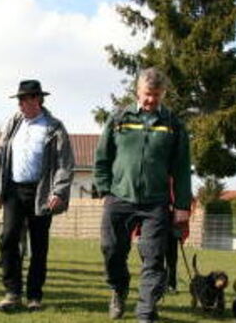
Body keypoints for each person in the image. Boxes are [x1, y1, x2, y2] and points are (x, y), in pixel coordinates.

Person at [94, 68, 192, 323]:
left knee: (154, 256)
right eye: (148, 94)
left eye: (157, 96)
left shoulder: (173, 124)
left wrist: (182, 205)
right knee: (111, 249)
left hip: (156, 202)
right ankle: (118, 288)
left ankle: (146, 311)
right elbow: (102, 158)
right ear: (138, 91)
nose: (151, 100)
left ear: (163, 94)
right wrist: (105, 190)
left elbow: (182, 168)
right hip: (119, 197)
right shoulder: (119, 118)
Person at [0, 79, 74, 311]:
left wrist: (58, 191)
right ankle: (12, 292)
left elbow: (65, 163)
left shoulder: (55, 126)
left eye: (24, 99)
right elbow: (1, 154)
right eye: (18, 99)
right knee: (8, 239)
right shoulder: (12, 123)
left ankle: (34, 296)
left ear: (37, 99)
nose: (20, 103)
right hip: (13, 191)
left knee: (39, 246)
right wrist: (0, 188)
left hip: (42, 192)